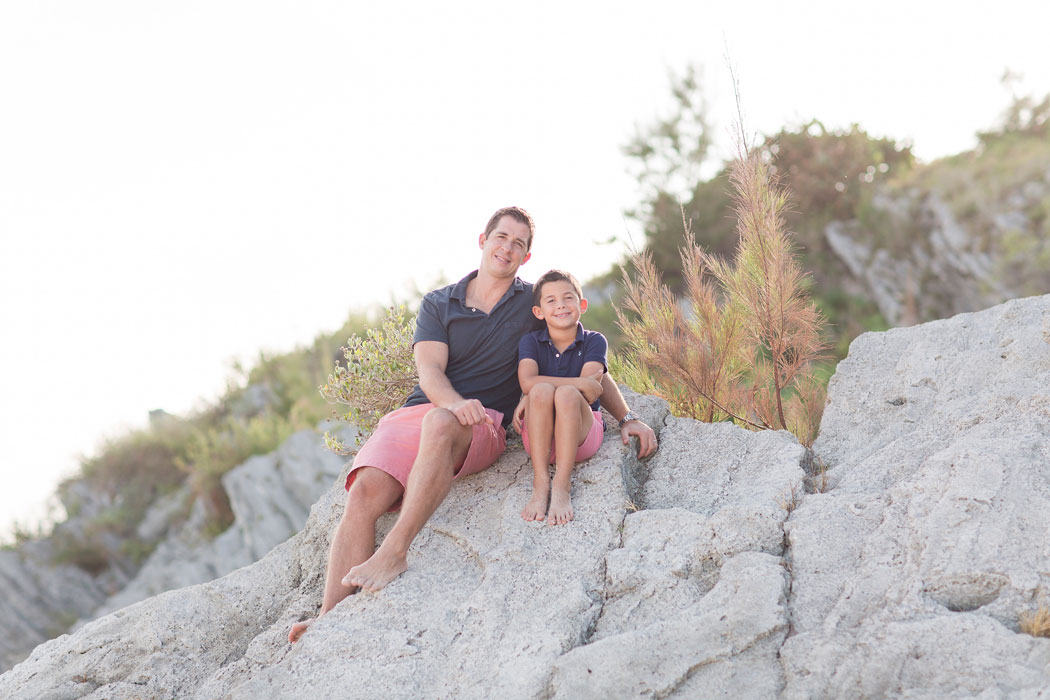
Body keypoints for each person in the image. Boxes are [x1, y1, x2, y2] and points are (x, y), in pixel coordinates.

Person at [289, 206, 658, 643]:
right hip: (423, 410)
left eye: (518, 243)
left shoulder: (532, 304)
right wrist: (452, 402)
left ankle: (394, 553)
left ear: (526, 256)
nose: (508, 247)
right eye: (501, 237)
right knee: (365, 490)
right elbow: (429, 371)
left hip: (484, 422)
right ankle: (327, 620)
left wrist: (627, 416)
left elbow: (586, 359)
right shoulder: (438, 303)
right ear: (482, 240)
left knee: (443, 424)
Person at [515, 269, 606, 525]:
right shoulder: (531, 342)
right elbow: (527, 382)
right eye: (551, 301)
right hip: (540, 441)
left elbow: (589, 392)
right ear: (539, 312)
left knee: (565, 394)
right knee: (542, 391)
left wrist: (573, 386)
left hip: (581, 438)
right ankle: (541, 481)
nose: (561, 306)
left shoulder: (594, 341)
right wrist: (578, 382)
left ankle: (562, 484)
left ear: (582, 305)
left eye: (568, 298)